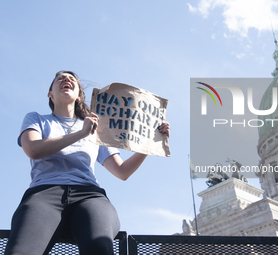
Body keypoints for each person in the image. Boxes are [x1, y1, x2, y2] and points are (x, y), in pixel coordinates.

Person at [4, 70, 170, 255]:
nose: (66, 79)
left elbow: (122, 171)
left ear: (80, 96)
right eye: (60, 78)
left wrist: (149, 144)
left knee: (99, 249)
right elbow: (34, 150)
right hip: (44, 193)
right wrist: (81, 133)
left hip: (89, 196)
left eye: (71, 78)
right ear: (50, 93)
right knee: (21, 251)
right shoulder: (37, 119)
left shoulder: (96, 129)